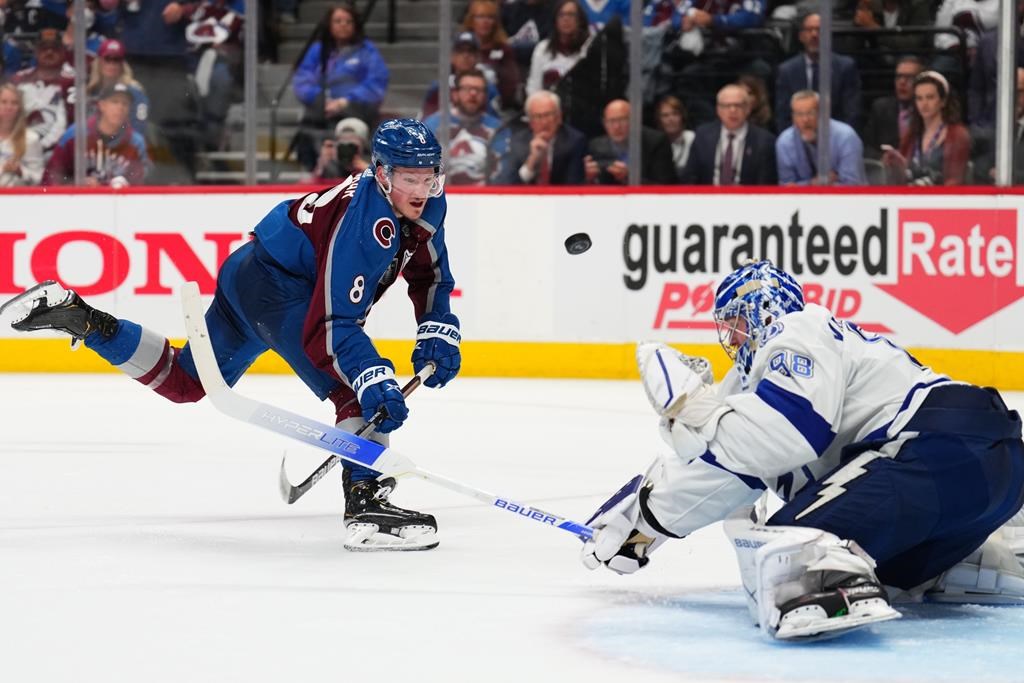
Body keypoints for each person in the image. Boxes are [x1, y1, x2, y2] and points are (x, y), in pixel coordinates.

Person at [5, 119, 458, 552]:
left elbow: (431, 273)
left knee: (185, 382)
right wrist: (371, 376)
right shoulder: (364, 224)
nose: (421, 192)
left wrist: (436, 326)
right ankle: (367, 506)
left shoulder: (424, 205)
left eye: (428, 178)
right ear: (381, 173)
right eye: (408, 179)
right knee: (356, 392)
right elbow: (332, 324)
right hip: (277, 291)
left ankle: (81, 319)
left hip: (250, 271)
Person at [582, 259, 1024, 641]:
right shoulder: (762, 381)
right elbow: (730, 469)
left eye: (734, 322)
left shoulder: (797, 330)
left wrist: (695, 411)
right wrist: (645, 521)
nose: (731, 338)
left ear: (759, 309)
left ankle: (822, 586)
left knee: (786, 548)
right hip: (989, 475)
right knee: (885, 571)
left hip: (937, 453)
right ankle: (974, 558)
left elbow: (788, 435)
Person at [292, 2, 389, 170]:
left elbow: (376, 82)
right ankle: (316, 170)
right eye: (338, 21)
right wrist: (322, 100)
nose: (343, 25)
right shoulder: (317, 50)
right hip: (323, 111)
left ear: (355, 25)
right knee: (306, 133)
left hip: (356, 111)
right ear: (329, 25)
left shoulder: (366, 50)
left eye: (348, 21)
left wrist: (346, 101)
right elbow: (302, 81)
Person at [42, 82, 150, 186]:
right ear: (102, 105)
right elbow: (51, 177)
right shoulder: (76, 134)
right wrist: (76, 185)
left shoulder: (136, 143)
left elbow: (138, 187)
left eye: (125, 104)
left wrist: (105, 188)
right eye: (114, 102)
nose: (120, 108)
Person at [775, 12, 862, 132]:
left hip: (835, 138)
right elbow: (783, 117)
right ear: (801, 36)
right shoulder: (787, 71)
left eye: (819, 30)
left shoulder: (845, 67)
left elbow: (851, 114)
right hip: (799, 139)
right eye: (809, 30)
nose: (814, 34)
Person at [882, 71, 971, 186]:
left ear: (943, 101)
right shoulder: (911, 135)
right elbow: (900, 179)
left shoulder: (958, 134)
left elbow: (955, 181)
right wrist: (895, 165)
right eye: (919, 98)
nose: (924, 104)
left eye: (930, 97)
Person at [681, 84, 777, 185]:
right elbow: (690, 177)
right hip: (709, 198)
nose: (733, 110)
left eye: (738, 105)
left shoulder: (764, 141)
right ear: (718, 110)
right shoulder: (703, 136)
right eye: (727, 106)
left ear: (748, 109)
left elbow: (765, 185)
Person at [422, 68, 502, 186]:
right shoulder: (433, 125)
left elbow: (502, 171)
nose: (473, 93)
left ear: (485, 96)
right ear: (455, 94)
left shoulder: (497, 128)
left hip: (485, 197)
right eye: (467, 89)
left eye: (478, 90)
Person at [491, 89, 586, 185]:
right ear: (530, 122)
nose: (544, 122)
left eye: (548, 115)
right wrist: (531, 162)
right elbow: (507, 185)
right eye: (538, 116)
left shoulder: (574, 141)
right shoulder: (516, 142)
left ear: (559, 117)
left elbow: (572, 186)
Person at [776, 91, 865, 186]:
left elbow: (852, 185)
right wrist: (814, 183)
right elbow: (787, 187)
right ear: (793, 116)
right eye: (799, 114)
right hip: (802, 200)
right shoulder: (784, 142)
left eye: (811, 113)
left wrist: (803, 186)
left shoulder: (846, 137)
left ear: (823, 113)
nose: (805, 120)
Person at [584, 99, 677, 185]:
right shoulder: (596, 146)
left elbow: (665, 187)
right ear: (604, 124)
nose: (617, 127)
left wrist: (629, 178)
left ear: (635, 120)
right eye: (611, 121)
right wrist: (590, 178)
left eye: (622, 120)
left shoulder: (656, 142)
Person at [11, 28, 75, 153]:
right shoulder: (19, 79)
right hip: (19, 146)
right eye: (44, 48)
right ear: (36, 52)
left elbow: (71, 123)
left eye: (54, 48)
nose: (49, 52)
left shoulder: (72, 81)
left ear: (62, 51)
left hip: (58, 150)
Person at [461, 0, 523, 112]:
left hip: (497, 109)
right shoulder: (461, 49)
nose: (485, 21)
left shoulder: (504, 49)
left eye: (490, 17)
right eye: (480, 17)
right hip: (464, 107)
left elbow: (510, 88)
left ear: (496, 21)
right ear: (471, 20)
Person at [86, 39, 151, 137]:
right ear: (99, 62)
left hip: (124, 144)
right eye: (107, 59)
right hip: (92, 144)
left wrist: (114, 137)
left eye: (116, 60)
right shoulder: (91, 91)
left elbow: (138, 126)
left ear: (122, 64)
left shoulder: (135, 92)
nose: (112, 64)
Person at [525, 0, 591, 97]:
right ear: (555, 20)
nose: (566, 19)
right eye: (561, 15)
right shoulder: (543, 48)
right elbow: (534, 87)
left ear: (580, 20)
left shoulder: (589, 47)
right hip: (549, 106)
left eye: (571, 14)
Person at [862, 56, 923, 161]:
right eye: (899, 77)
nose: (902, 82)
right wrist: (882, 157)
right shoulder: (880, 108)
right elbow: (866, 147)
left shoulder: (928, 111)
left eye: (909, 77)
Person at [0, 82, 44, 186]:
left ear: (20, 108)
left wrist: (20, 171)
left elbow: (38, 177)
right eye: (3, 102)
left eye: (14, 103)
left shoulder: (31, 139)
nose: (9, 107)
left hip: (17, 198)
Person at [310, 116, 371, 182]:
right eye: (342, 139)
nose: (346, 144)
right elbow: (309, 186)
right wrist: (321, 165)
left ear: (363, 143)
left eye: (351, 139)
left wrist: (367, 170)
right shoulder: (331, 164)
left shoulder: (372, 160)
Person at [654, 95, 694, 181]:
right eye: (665, 115)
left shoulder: (694, 139)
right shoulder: (654, 143)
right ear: (659, 120)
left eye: (675, 114)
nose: (671, 119)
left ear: (682, 117)